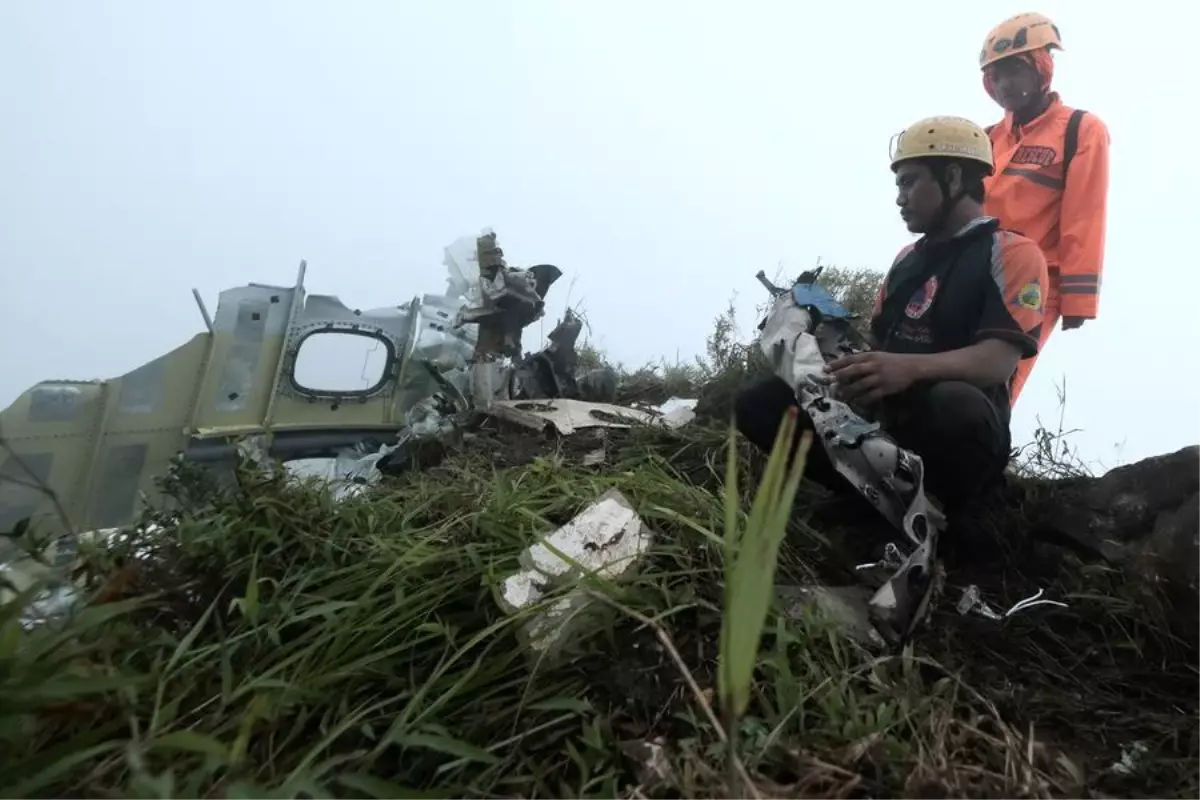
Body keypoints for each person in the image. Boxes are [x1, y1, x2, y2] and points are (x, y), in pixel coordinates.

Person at [735, 116, 1049, 548]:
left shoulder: (1013, 252)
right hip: (888, 428)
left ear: (953, 175)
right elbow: (880, 346)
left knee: (955, 403)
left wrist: (908, 369)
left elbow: (999, 360)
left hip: (960, 426)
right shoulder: (906, 261)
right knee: (759, 403)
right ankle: (866, 498)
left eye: (909, 183)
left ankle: (959, 514)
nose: (899, 198)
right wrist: (838, 362)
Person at [979, 12, 1111, 404]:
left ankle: (977, 458)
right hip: (971, 271)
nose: (1005, 84)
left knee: (997, 385)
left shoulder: (1081, 130)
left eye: (1015, 71)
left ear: (1042, 69)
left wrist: (1079, 299)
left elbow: (1085, 216)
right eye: (996, 75)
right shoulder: (985, 137)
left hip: (1032, 283)